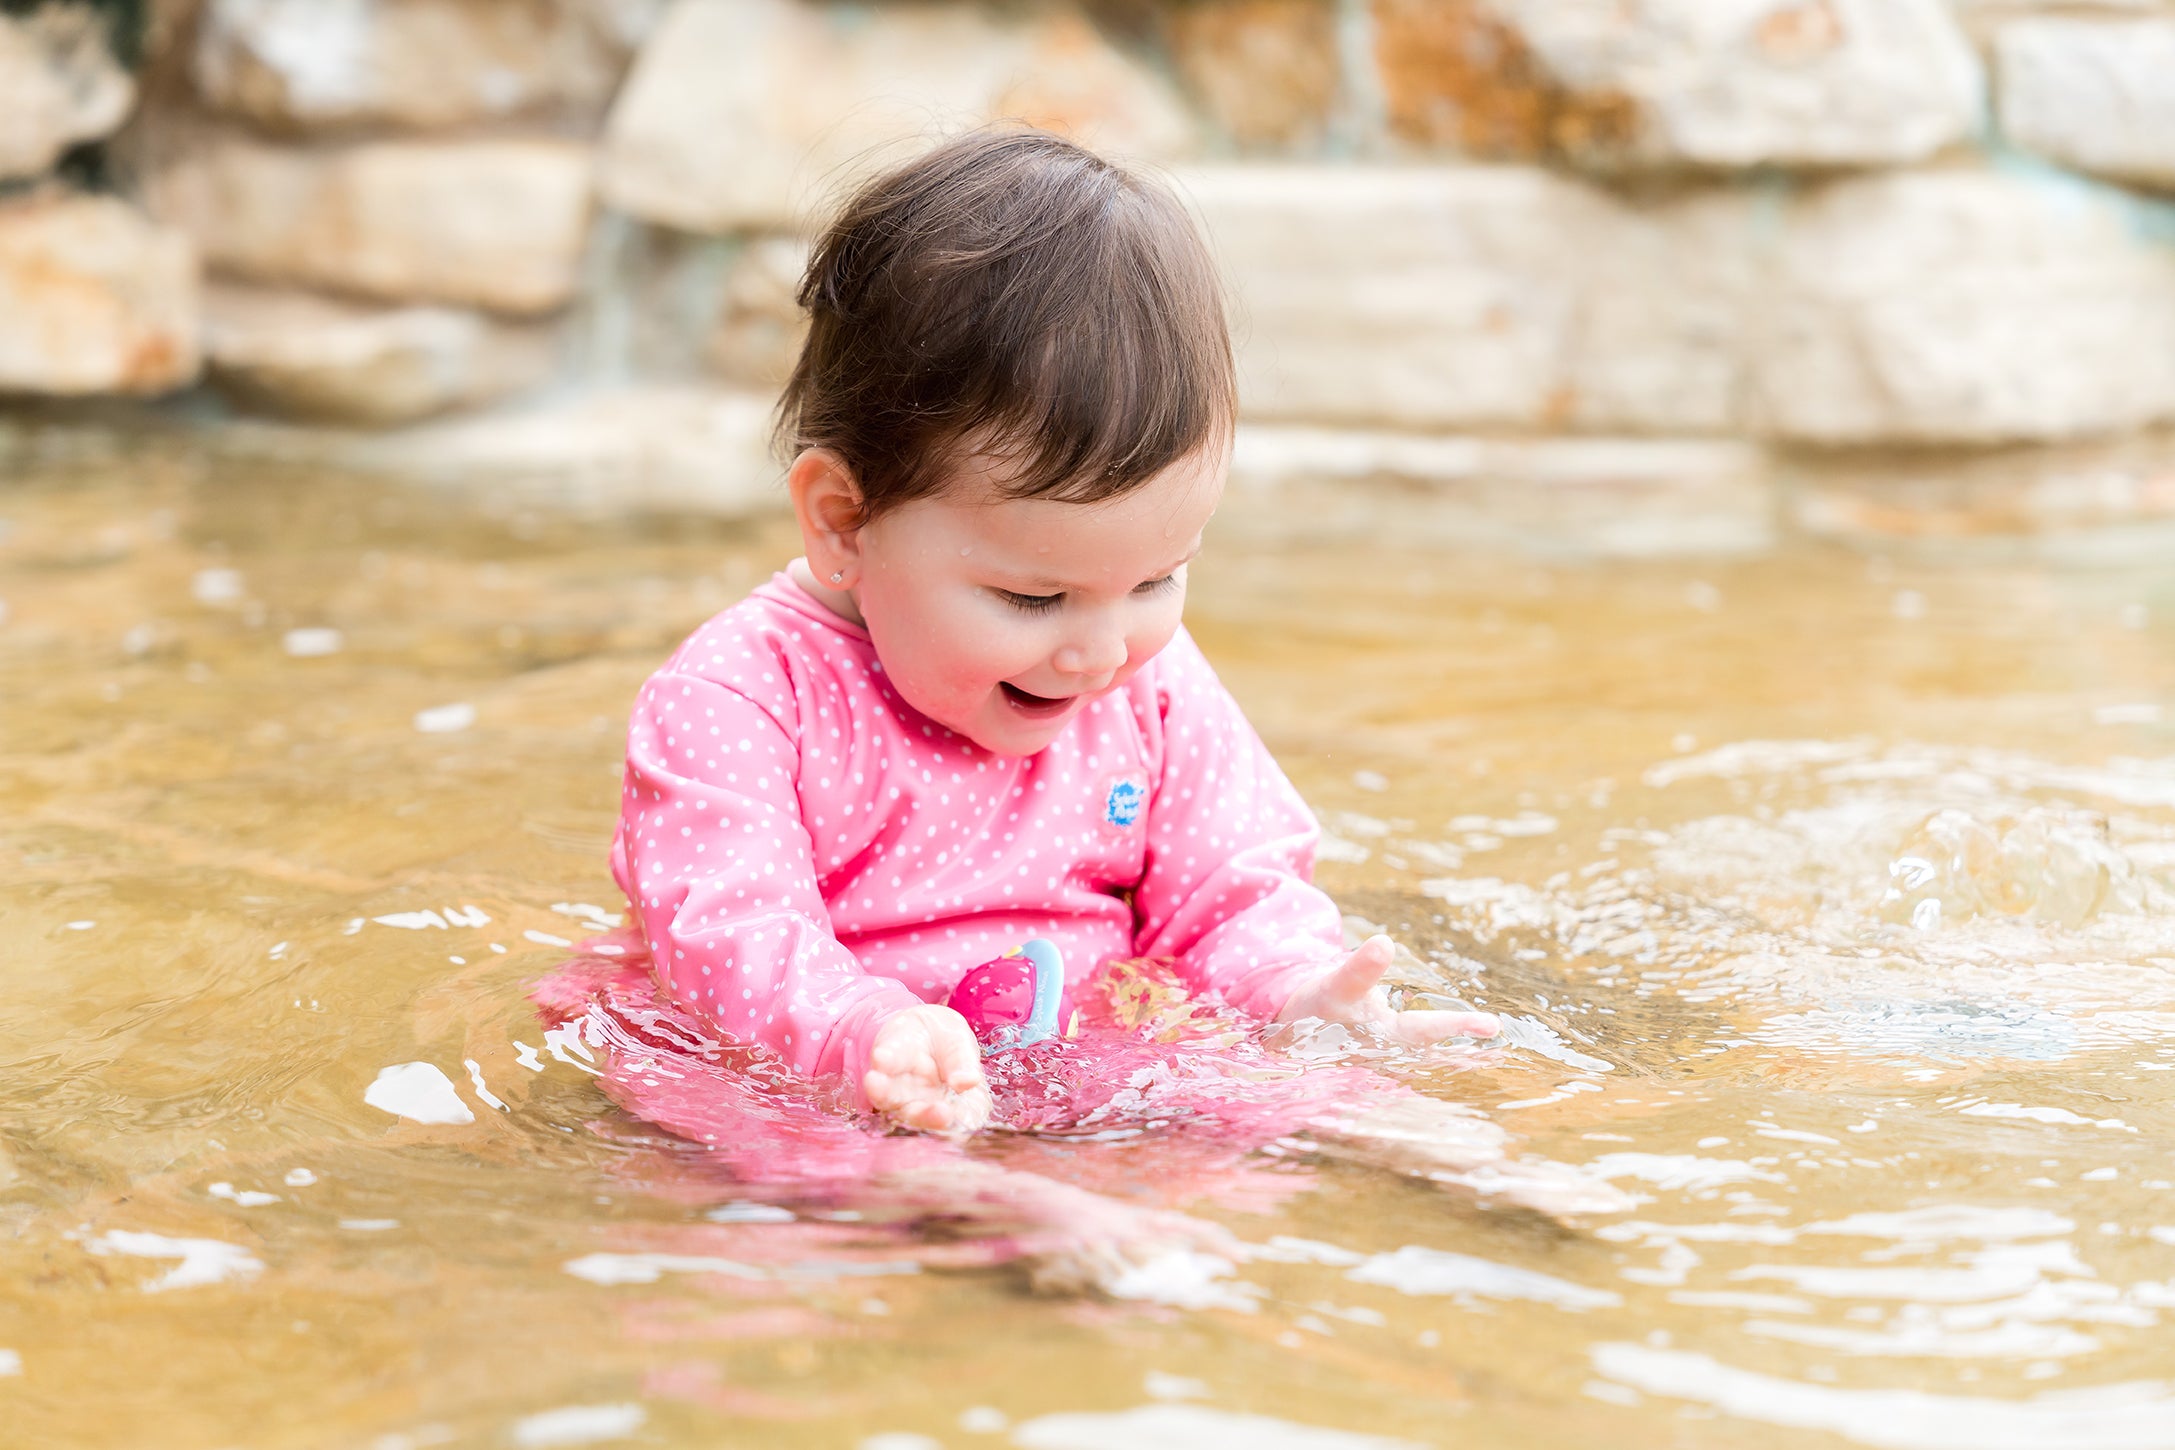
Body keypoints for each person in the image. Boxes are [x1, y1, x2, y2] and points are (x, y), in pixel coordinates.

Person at [611, 127, 1500, 1139]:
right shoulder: (741, 698)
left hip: (1077, 1061)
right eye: (1034, 599)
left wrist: (1298, 995)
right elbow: (727, 936)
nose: (1099, 651)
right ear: (845, 523)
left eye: (1157, 579)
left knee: (1277, 1122)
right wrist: (863, 1034)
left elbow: (1231, 890)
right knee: (781, 1161)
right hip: (827, 1075)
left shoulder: (1147, 679)